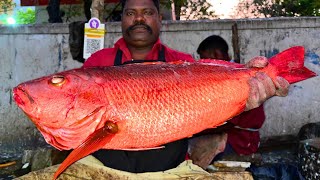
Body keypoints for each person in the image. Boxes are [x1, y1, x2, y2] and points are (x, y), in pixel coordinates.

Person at [83, 0, 289, 173]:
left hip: (170, 171)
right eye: (130, 13)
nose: (139, 19)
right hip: (104, 171)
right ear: (122, 19)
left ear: (160, 19)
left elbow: (225, 114)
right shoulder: (97, 63)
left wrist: (253, 96)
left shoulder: (184, 63)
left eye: (147, 12)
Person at [188, 35, 267, 169]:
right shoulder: (231, 73)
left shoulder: (236, 78)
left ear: (216, 54)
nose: (202, 62)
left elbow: (224, 123)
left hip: (239, 141)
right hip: (235, 135)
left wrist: (192, 128)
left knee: (189, 148)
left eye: (203, 58)